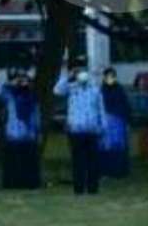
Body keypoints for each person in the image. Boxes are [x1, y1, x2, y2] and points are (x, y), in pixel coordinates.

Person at [54, 61, 105, 196]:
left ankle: (93, 189)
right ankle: (79, 189)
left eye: (83, 70)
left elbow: (101, 110)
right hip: (76, 131)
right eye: (79, 71)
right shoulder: (71, 88)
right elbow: (57, 90)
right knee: (78, 162)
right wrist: (68, 75)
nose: (82, 73)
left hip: (92, 130)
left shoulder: (95, 89)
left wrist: (103, 127)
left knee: (93, 162)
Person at [0, 70, 42, 190]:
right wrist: (10, 83)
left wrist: (38, 130)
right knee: (12, 162)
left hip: (29, 134)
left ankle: (30, 184)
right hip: (13, 134)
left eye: (25, 80)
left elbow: (37, 115)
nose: (23, 83)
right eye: (20, 80)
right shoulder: (10, 96)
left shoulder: (32, 97)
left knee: (29, 162)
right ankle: (12, 184)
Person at [99, 67, 132, 178]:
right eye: (108, 76)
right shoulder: (101, 90)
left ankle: (119, 172)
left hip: (118, 122)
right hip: (107, 123)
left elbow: (125, 106)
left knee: (118, 147)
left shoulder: (119, 90)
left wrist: (126, 121)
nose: (110, 79)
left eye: (112, 76)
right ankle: (106, 171)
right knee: (105, 148)